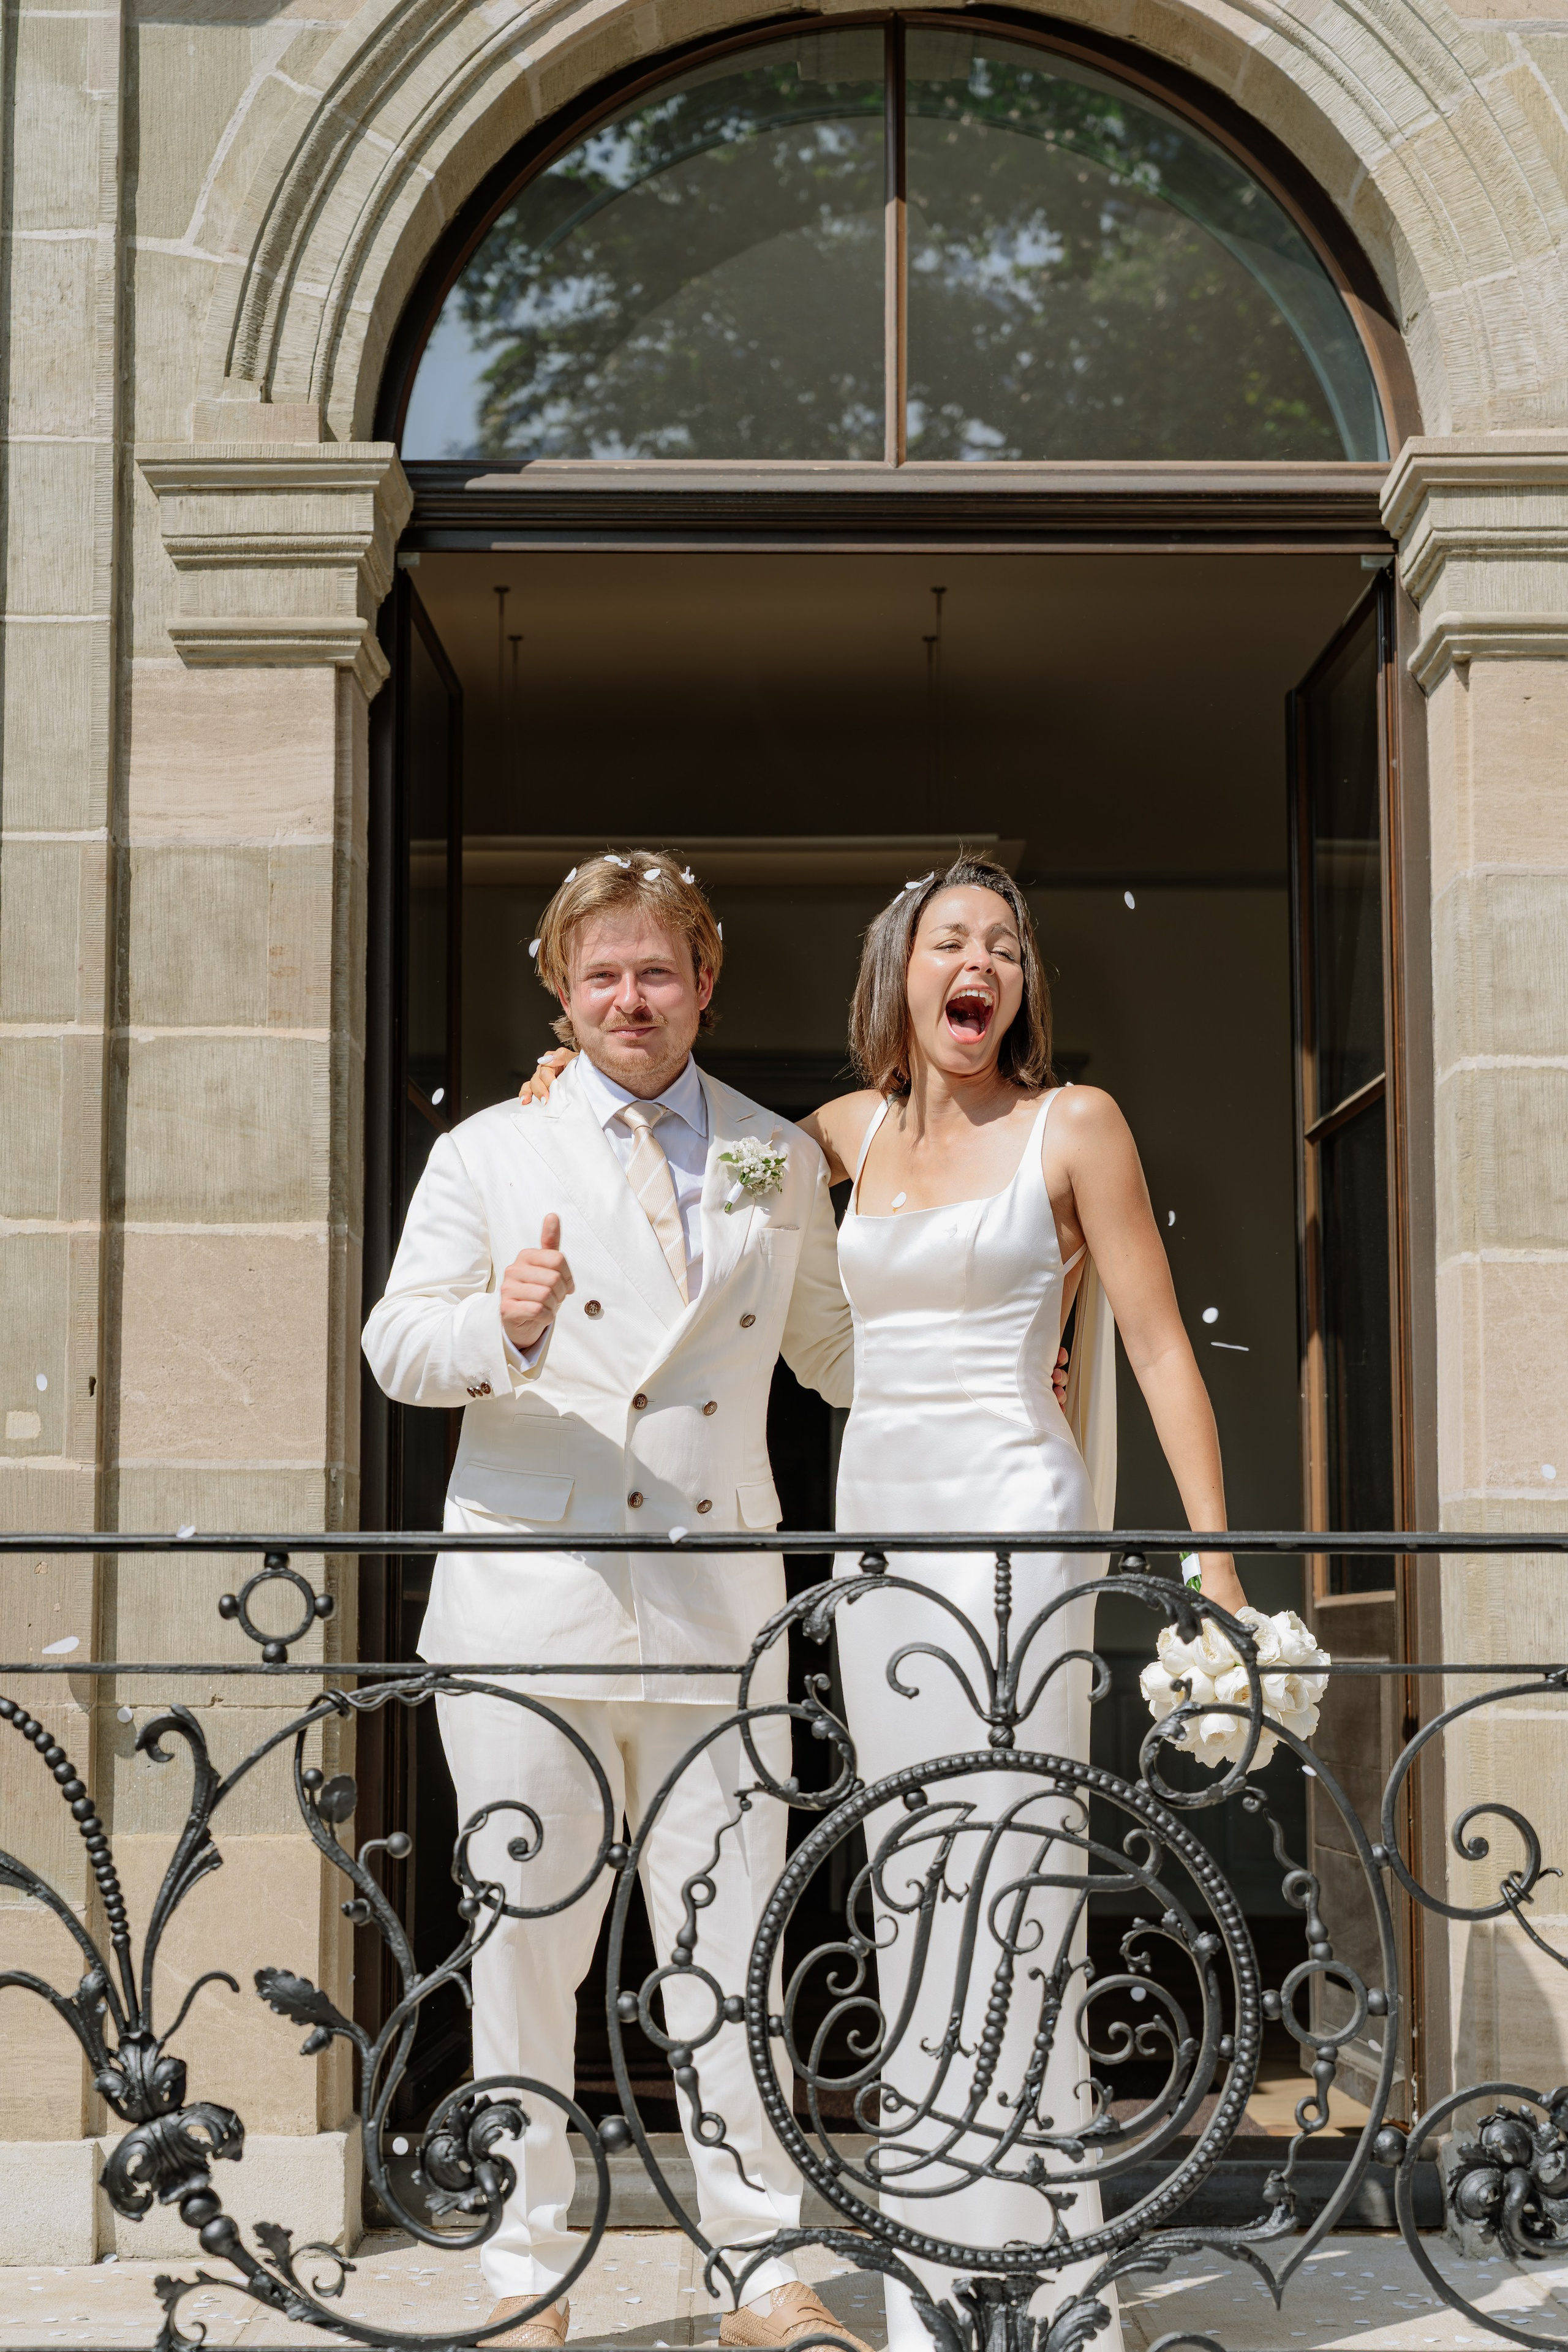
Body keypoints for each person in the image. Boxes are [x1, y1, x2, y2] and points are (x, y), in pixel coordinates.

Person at [526, 853, 1244, 2352]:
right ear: (900, 978)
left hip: (1015, 1518)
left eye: (1000, 946)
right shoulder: (823, 1139)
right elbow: (683, 1168)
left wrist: (1215, 1560)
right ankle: (930, 2255)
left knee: (1018, 1863)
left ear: (1018, 986)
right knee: (914, 1877)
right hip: (875, 1538)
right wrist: (567, 1090)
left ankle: (1051, 2265)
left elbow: (1163, 1348)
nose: (974, 965)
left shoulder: (1075, 1125)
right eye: (946, 943)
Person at [363, 853, 870, 2352]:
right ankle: (526, 2274)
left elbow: (828, 1346)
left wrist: (989, 1367)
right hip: (535, 1605)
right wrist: (497, 1328)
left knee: (729, 1954)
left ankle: (757, 2275)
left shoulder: (774, 1156)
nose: (630, 998)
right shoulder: (483, 1157)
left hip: (717, 1612)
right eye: (602, 976)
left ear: (705, 981)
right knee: (528, 1949)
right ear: (561, 988)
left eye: (657, 971)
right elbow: (399, 1342)